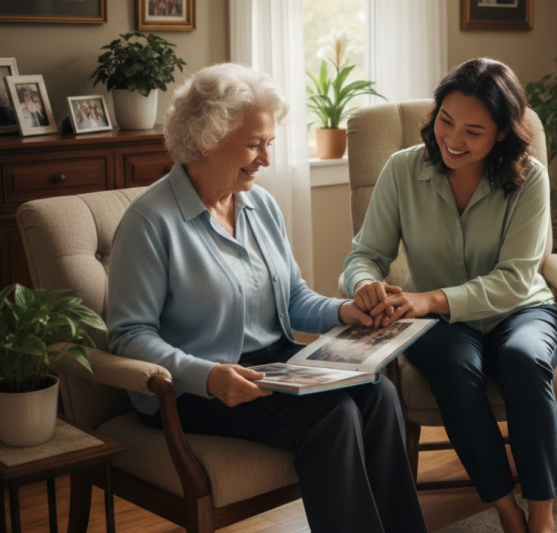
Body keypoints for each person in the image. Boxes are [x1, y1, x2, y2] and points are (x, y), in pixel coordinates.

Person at [106, 63, 427, 533]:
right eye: (255, 144)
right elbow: (129, 337)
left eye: (269, 144)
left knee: (378, 393)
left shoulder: (260, 205)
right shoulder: (150, 222)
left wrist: (345, 311)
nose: (266, 159)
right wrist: (210, 376)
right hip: (195, 387)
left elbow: (292, 297)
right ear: (205, 139)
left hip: (276, 367)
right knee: (334, 415)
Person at [343, 57, 557, 533]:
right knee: (456, 366)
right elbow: (365, 253)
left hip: (521, 309)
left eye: (473, 131)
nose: (453, 140)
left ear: (502, 133)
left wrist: (430, 299)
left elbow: (516, 279)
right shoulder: (402, 170)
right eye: (446, 121)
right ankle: (507, 511)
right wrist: (364, 284)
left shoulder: (531, 179)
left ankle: (542, 517)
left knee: (526, 361)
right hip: (440, 324)